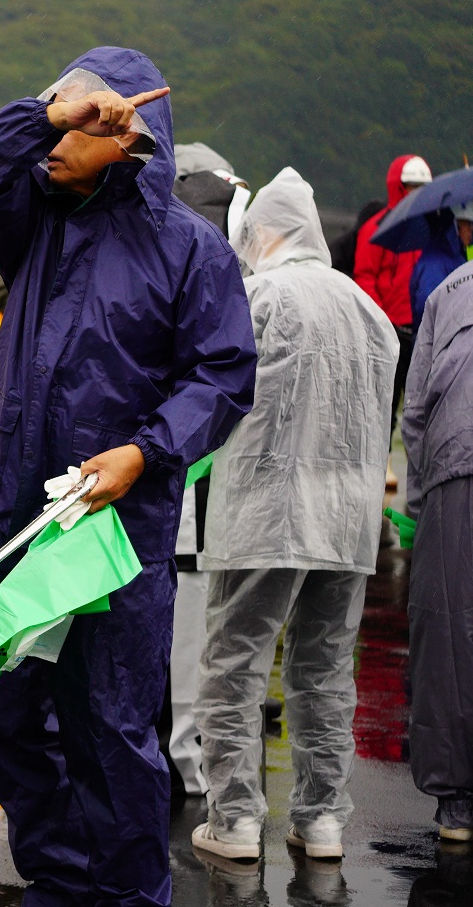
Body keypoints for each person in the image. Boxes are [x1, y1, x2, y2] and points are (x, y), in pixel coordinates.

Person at [0, 47, 257, 906]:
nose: (59, 131)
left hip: (115, 526)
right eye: (55, 112)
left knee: (110, 725)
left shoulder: (189, 251)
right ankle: (58, 876)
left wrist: (148, 451)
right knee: (5, 711)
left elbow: (225, 376)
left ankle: (127, 894)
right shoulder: (31, 219)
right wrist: (54, 115)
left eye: (84, 116)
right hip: (16, 506)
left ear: (129, 135)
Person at [192, 167, 398, 862]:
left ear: (266, 233)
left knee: (235, 665)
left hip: (266, 512)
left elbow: (217, 393)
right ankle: (322, 822)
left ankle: (236, 822)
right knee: (326, 669)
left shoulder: (260, 296)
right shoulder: (366, 308)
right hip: (348, 518)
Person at [165, 141, 251, 799]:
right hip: (220, 475)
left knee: (166, 617)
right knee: (207, 626)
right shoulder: (230, 253)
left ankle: (171, 748)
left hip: (166, 470)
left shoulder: (168, 243)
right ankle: (190, 762)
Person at [402, 256, 473, 844]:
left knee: (451, 636)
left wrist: (420, 503)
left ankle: (457, 803)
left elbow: (417, 411)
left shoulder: (448, 290)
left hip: (456, 467)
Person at [355, 154, 432, 462]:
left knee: (423, 406)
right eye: (410, 186)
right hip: (390, 332)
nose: (415, 192)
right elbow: (364, 278)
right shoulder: (377, 230)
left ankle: (421, 465)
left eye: (421, 187)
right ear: (398, 187)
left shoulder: (432, 230)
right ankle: (379, 464)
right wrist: (382, 323)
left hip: (425, 332)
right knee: (383, 404)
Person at [407, 203, 471, 328]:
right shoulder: (435, 260)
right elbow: (427, 308)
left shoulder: (455, 254)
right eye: (468, 224)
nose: (471, 230)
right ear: (456, 225)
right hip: (438, 342)